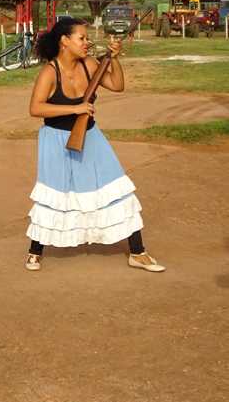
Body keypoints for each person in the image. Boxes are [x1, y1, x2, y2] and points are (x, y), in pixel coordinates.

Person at [25, 17, 165, 273]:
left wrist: (114, 58)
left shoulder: (90, 64)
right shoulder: (49, 72)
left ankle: (137, 251)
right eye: (82, 38)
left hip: (91, 135)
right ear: (65, 41)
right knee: (56, 195)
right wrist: (76, 107)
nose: (87, 42)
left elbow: (117, 85)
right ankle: (35, 250)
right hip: (55, 140)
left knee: (116, 189)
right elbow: (35, 108)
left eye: (87, 38)